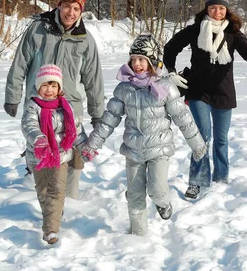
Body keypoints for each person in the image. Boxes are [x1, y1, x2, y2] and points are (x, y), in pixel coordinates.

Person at [81, 34, 207, 236]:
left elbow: (183, 118)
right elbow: (109, 118)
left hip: (158, 150)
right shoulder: (124, 89)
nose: (137, 64)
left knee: (157, 189)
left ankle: (163, 203)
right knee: (135, 196)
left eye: (142, 59)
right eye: (133, 59)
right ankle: (138, 237)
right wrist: (92, 144)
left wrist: (198, 145)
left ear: (153, 61)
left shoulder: (165, 87)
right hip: (133, 152)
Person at [163, 0, 247, 199]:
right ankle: (197, 181)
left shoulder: (232, 32)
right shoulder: (195, 30)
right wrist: (170, 71)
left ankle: (221, 179)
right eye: (213, 7)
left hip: (224, 91)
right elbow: (170, 47)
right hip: (198, 91)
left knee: (221, 139)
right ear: (207, 9)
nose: (217, 12)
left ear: (227, 10)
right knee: (202, 137)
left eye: (221, 8)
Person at [4, 0, 104, 199]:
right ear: (59, 6)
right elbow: (20, 64)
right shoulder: (38, 30)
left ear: (81, 12)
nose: (71, 12)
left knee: (75, 153)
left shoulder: (85, 40)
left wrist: (97, 112)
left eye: (76, 9)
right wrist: (12, 96)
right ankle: (43, 193)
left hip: (71, 104)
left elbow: (93, 79)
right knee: (41, 145)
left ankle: (70, 199)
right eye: (67, 6)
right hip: (40, 103)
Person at [21, 64, 87, 245]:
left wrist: (85, 147)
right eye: (45, 85)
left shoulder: (65, 107)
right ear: (38, 86)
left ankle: (50, 229)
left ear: (59, 88)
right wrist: (38, 139)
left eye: (53, 85)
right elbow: (29, 125)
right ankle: (53, 213)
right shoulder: (33, 106)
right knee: (43, 192)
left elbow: (77, 131)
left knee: (57, 190)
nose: (49, 90)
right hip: (38, 157)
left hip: (60, 156)